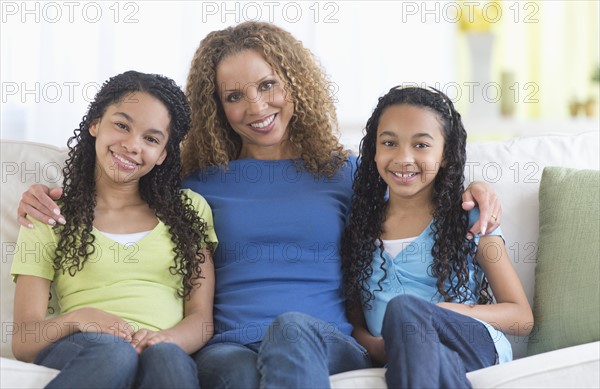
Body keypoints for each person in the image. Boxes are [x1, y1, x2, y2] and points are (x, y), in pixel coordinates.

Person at [17, 22, 501, 388]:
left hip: (324, 342)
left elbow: (414, 175)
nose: (255, 107)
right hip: (227, 345)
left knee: (289, 329)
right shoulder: (194, 184)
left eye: (268, 85)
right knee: (235, 372)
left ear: (294, 84)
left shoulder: (345, 172)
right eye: (234, 96)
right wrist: (40, 194)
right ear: (216, 108)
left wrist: (475, 187)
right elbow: (121, 182)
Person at [11, 70, 218, 389]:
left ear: (162, 154)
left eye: (151, 138)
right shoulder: (50, 214)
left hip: (163, 347)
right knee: (116, 354)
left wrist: (164, 340)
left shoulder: (189, 210)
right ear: (95, 124)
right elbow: (24, 340)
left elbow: (201, 319)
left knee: (168, 360)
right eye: (122, 125)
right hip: (83, 347)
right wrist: (80, 317)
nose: (132, 145)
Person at [341, 85, 533, 388]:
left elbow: (521, 317)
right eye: (389, 142)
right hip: (405, 354)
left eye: (421, 145)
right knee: (413, 333)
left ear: (445, 155)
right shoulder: (360, 225)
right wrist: (375, 345)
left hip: (470, 343)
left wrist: (444, 312)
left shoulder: (470, 216)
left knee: (405, 309)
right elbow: (355, 319)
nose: (404, 158)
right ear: (374, 151)